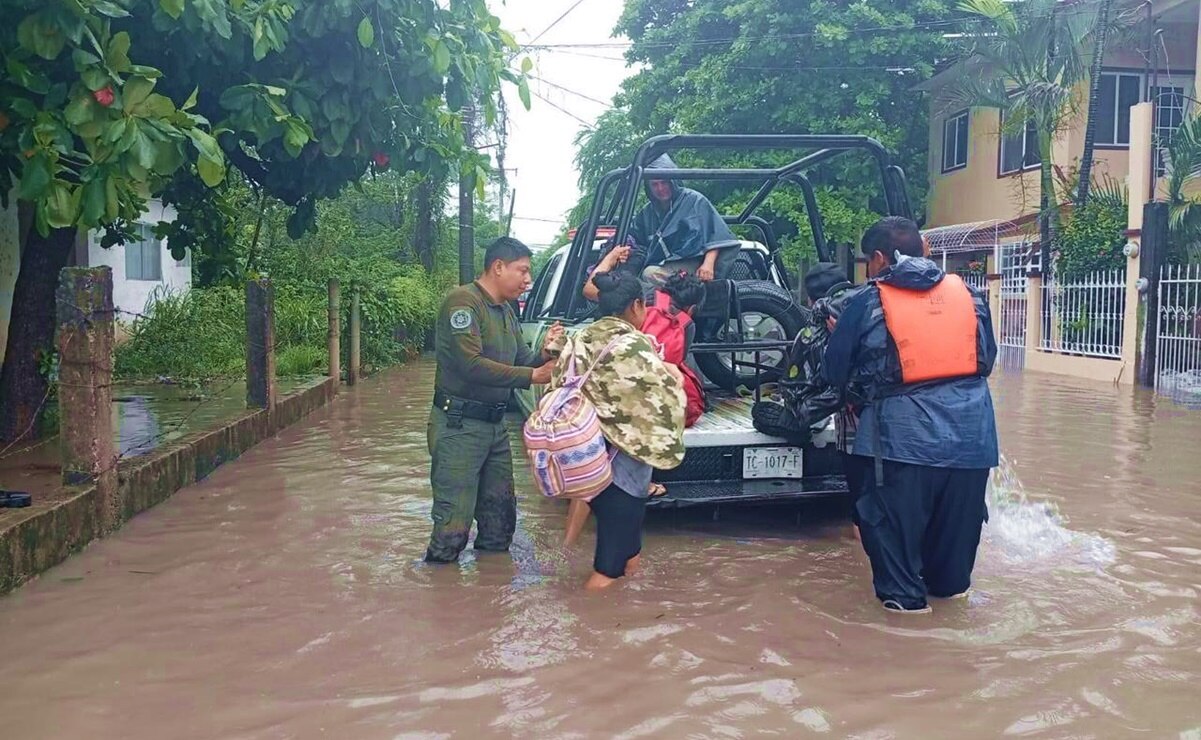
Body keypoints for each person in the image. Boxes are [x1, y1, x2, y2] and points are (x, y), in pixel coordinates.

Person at [823, 217, 999, 614]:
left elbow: (834, 372)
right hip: (973, 445)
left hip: (899, 447)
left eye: (869, 260)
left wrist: (841, 337)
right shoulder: (970, 296)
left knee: (900, 587)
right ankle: (951, 657)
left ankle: (905, 657)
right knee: (952, 586)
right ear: (928, 251)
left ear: (880, 258)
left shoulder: (866, 302)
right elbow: (986, 360)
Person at [426, 237, 563, 563]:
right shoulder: (463, 303)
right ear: (498, 267)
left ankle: (489, 601)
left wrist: (544, 354)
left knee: (500, 524)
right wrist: (533, 376)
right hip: (459, 426)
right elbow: (470, 365)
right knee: (451, 530)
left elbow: (522, 359)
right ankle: (439, 599)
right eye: (523, 271)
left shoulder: (506, 311)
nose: (528, 280)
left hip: (495, 428)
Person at [549, 271, 686, 589]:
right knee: (608, 569)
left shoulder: (579, 338)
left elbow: (557, 387)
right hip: (620, 469)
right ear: (637, 305)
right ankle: (586, 628)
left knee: (629, 553)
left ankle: (624, 620)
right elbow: (664, 405)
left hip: (584, 460)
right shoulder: (635, 345)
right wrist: (673, 376)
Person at [628, 154, 742, 286]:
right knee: (631, 279)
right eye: (655, 184)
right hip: (665, 264)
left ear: (672, 181)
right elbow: (634, 237)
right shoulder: (647, 213)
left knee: (650, 274)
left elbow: (716, 236)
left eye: (664, 182)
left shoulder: (694, 201)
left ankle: (672, 305)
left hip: (695, 264)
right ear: (649, 187)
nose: (660, 188)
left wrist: (708, 265)